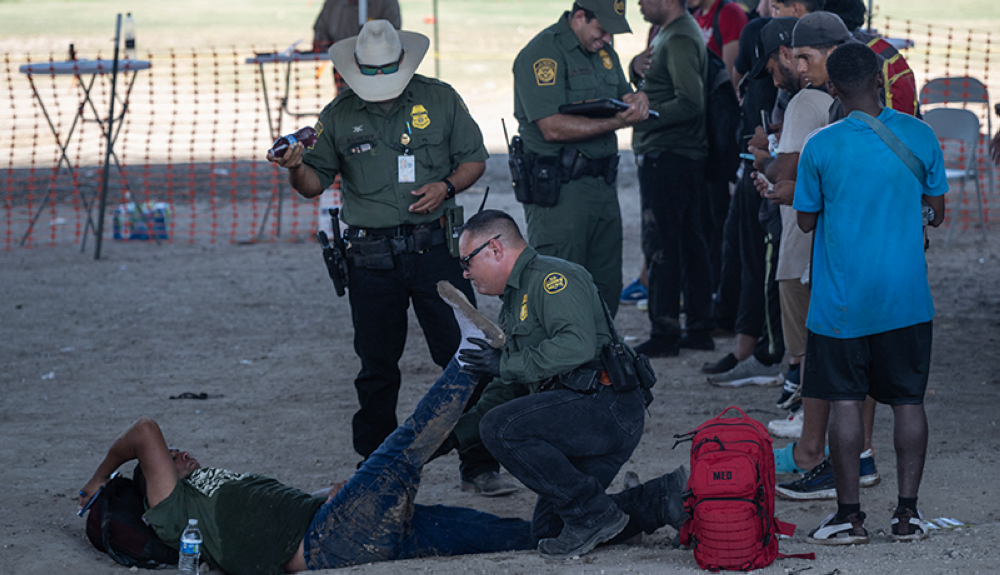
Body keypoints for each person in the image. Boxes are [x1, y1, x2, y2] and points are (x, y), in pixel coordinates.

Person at [77, 292, 687, 572]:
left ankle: (657, 502)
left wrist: (332, 495)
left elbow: (270, 513)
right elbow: (146, 430)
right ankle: (470, 357)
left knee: (534, 536)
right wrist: (104, 474)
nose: (179, 454)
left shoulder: (202, 493)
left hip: (343, 523)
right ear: (154, 483)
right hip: (329, 543)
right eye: (169, 461)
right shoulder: (170, 505)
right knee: (399, 452)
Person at [268, 21, 515, 497]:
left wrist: (446, 186)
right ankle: (376, 468)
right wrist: (296, 166)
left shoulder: (440, 99)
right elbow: (312, 186)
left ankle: (479, 463)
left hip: (436, 252)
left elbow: (474, 159)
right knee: (377, 366)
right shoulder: (338, 115)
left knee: (466, 355)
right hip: (371, 259)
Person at [434, 209, 668, 560]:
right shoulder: (514, 301)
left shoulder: (551, 278)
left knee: (501, 427)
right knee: (547, 531)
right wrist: (454, 436)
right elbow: (508, 388)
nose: (465, 272)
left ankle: (595, 513)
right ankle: (664, 500)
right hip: (581, 414)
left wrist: (504, 363)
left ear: (495, 249)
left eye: (468, 261)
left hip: (607, 408)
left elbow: (577, 346)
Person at [792, 41, 946, 544]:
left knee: (843, 402)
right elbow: (936, 211)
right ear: (881, 80)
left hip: (841, 302)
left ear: (832, 88)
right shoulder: (921, 135)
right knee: (908, 402)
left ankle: (849, 517)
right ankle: (907, 515)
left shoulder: (820, 145)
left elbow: (806, 220)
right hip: (906, 299)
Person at [511, 0, 650, 317]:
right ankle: (561, 365)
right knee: (561, 288)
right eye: (601, 29)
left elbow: (619, 96)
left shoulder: (603, 52)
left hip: (602, 185)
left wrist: (636, 98)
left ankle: (600, 364)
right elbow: (552, 128)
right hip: (561, 192)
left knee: (605, 287)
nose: (606, 39)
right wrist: (618, 122)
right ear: (579, 17)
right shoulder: (543, 53)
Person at [702, 11, 786, 382]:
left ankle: (765, 354)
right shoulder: (759, 36)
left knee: (761, 263)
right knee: (741, 255)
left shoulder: (775, 73)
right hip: (753, 167)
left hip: (767, 172)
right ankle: (745, 347)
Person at [629, 0, 713, 358]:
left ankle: (665, 331)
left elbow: (691, 102)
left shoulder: (678, 37)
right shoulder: (672, 33)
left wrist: (642, 116)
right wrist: (635, 69)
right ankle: (698, 327)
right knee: (689, 242)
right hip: (679, 156)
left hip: (670, 156)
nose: (638, 3)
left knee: (662, 245)